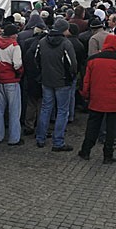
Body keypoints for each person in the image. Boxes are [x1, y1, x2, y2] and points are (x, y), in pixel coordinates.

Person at [79, 34, 116, 164]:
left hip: (97, 98)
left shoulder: (93, 60)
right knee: (111, 128)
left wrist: (86, 95)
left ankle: (86, 151)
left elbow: (86, 81)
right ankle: (108, 155)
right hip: (115, 99)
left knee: (93, 125)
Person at [36, 19, 77, 152]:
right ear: (64, 29)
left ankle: (40, 138)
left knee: (45, 108)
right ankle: (58, 141)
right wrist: (71, 77)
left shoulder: (42, 42)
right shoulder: (66, 43)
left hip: (46, 80)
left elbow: (36, 59)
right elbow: (72, 64)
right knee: (62, 111)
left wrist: (42, 72)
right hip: (62, 81)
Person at [0, 23, 24, 146]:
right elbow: (17, 64)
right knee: (14, 111)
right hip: (12, 81)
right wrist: (19, 74)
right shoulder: (15, 46)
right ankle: (14, 138)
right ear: (13, 34)